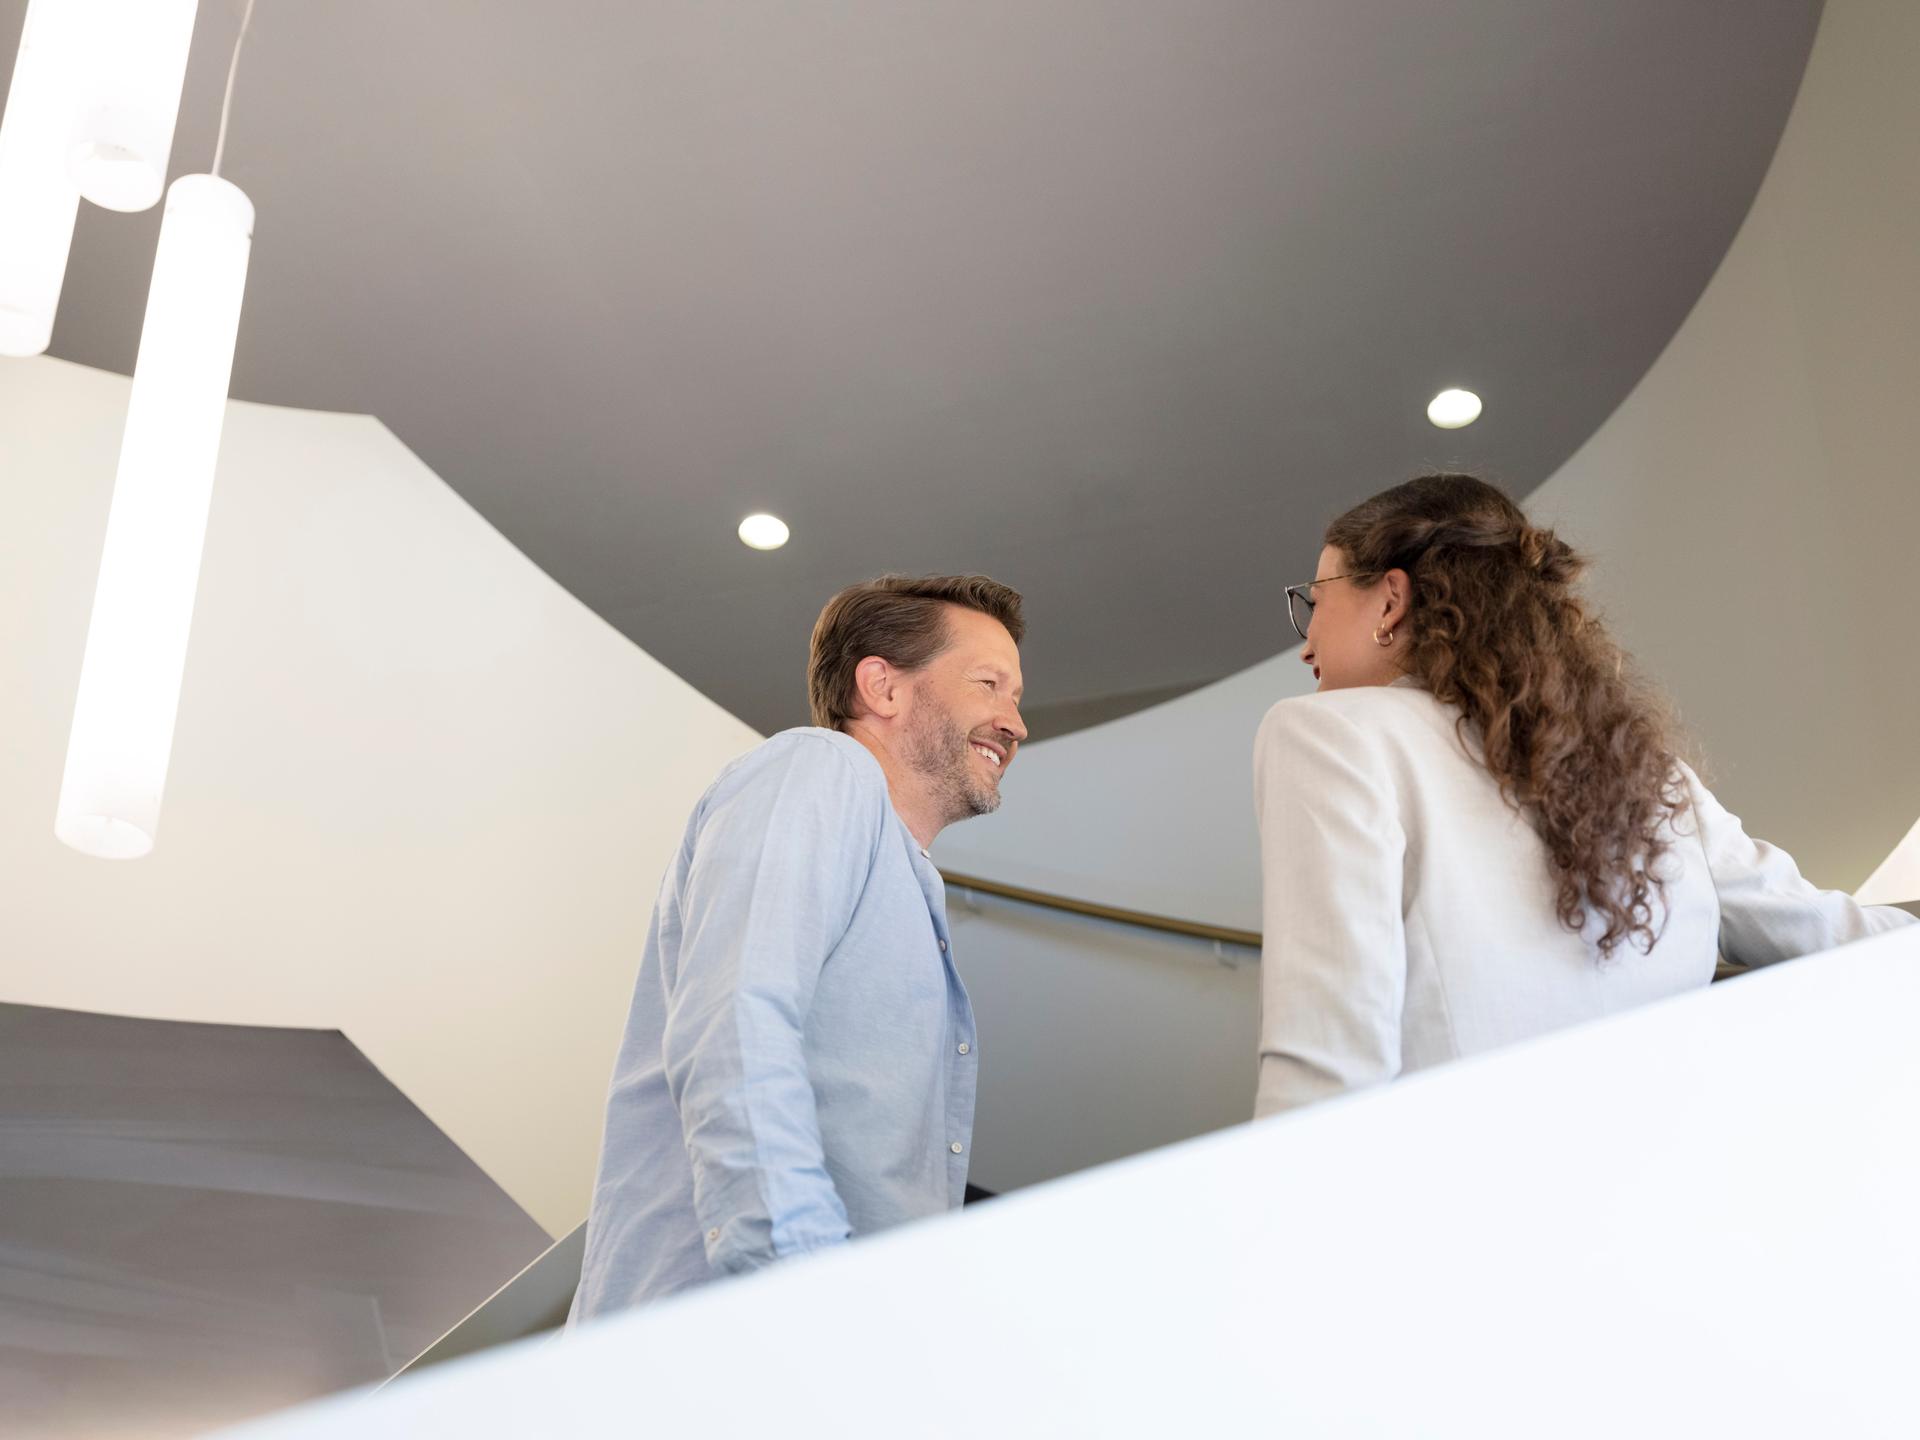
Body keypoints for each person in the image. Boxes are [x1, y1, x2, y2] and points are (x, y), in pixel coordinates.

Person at [1253, 473, 1913, 1118]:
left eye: (1315, 601)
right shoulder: (1640, 766)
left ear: (1390, 601)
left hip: (1463, 1207)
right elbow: (1826, 928)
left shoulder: (1325, 737)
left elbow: (1326, 1072)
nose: (1306, 640)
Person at [570, 574, 1027, 1319]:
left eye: (1016, 695)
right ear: (881, 686)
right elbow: (736, 1023)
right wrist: (807, 1290)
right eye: (990, 685)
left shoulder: (910, 882)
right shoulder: (821, 768)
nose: (1016, 722)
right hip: (724, 1346)